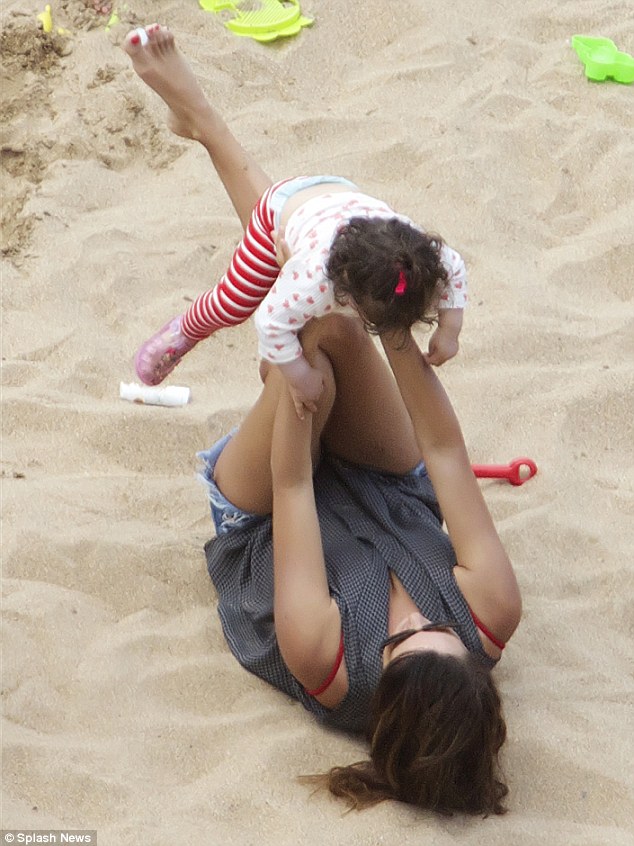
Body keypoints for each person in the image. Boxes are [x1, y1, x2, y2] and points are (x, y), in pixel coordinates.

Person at [123, 25, 522, 815]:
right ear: (476, 660)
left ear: (385, 688)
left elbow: (295, 485)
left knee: (308, 333)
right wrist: (401, 331)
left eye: (401, 639)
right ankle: (218, 141)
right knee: (340, 322)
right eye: (434, 626)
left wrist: (301, 391)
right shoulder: (492, 613)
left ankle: (203, 118)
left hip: (270, 515)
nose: (413, 620)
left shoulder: (327, 654)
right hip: (389, 491)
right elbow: (441, 449)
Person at [126, 26, 467, 417]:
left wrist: (449, 329)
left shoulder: (424, 257)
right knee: (237, 300)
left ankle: (193, 119)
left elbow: (454, 269)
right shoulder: (312, 280)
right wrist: (299, 375)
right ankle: (186, 330)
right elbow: (271, 325)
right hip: (282, 210)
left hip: (333, 193)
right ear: (344, 291)